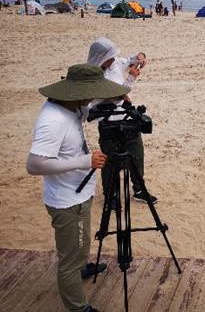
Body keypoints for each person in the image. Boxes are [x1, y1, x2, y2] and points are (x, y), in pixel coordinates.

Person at [27, 64, 130, 312]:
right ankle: (78, 306)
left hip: (77, 192)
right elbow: (34, 165)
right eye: (93, 92)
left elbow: (87, 111)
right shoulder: (52, 121)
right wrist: (84, 161)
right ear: (80, 92)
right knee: (70, 257)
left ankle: (81, 269)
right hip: (66, 201)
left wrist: (115, 97)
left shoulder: (70, 106)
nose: (94, 97)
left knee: (81, 244)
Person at [86, 37, 158, 204]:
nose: (113, 59)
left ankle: (139, 190)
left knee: (136, 155)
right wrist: (131, 78)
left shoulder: (115, 63)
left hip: (126, 116)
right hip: (108, 121)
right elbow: (115, 95)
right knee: (110, 160)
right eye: (110, 56)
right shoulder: (93, 76)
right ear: (101, 58)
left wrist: (140, 57)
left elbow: (129, 60)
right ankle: (110, 195)